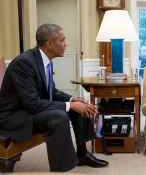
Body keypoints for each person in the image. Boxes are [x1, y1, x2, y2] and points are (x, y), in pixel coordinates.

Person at [0, 24, 108, 172]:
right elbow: (33, 104)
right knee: (59, 116)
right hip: (15, 116)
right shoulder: (24, 63)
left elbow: (52, 92)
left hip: (29, 109)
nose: (66, 44)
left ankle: (82, 154)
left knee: (80, 105)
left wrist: (73, 101)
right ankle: (62, 168)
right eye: (62, 40)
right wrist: (70, 106)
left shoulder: (45, 60)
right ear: (49, 44)